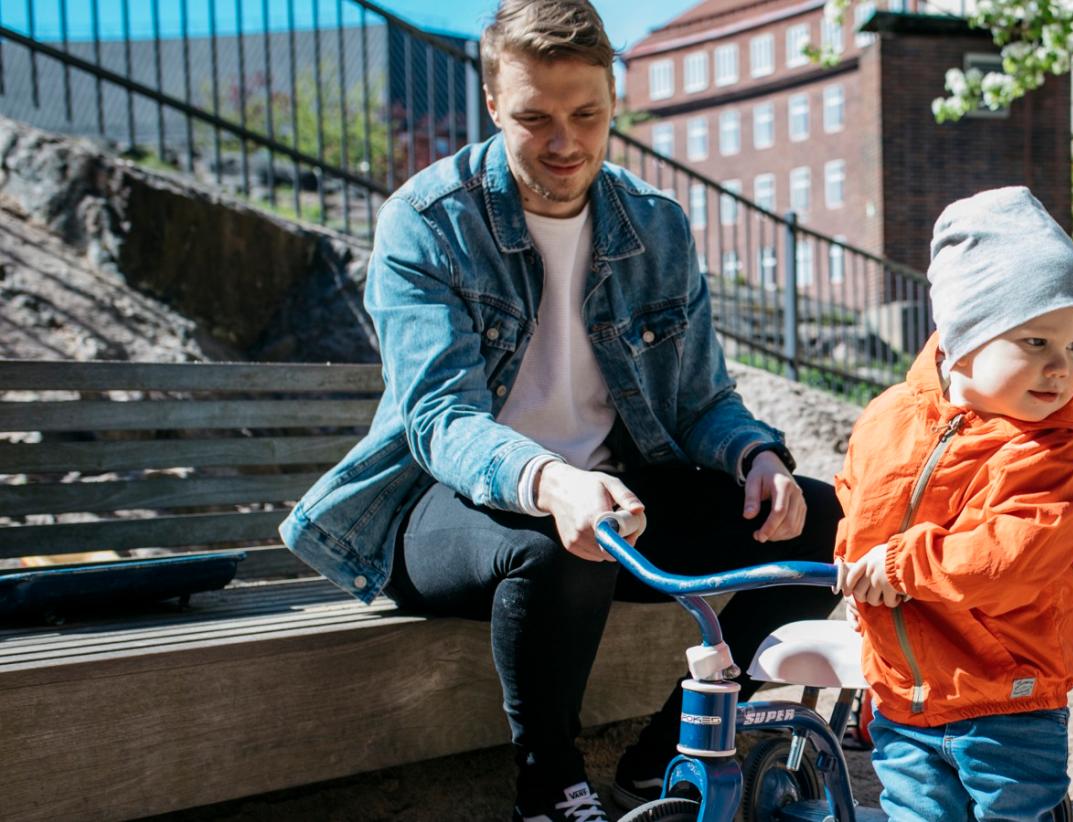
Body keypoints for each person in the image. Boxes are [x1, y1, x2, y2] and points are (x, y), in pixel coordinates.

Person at [276, 2, 838, 817]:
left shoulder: (654, 225)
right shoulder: (428, 223)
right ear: (494, 103)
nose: (565, 143)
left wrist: (755, 457)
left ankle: (669, 756)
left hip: (616, 500)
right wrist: (548, 479)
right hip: (449, 514)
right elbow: (439, 420)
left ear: (616, 102)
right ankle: (549, 787)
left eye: (587, 115)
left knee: (818, 518)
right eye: (535, 117)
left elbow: (701, 402)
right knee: (565, 538)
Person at [833, 187, 1073, 821]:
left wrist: (899, 566)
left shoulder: (1051, 450)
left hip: (1009, 700)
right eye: (1036, 342)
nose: (1061, 368)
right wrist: (853, 572)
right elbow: (856, 499)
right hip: (904, 696)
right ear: (962, 339)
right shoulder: (887, 420)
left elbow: (1012, 557)